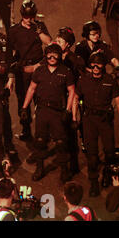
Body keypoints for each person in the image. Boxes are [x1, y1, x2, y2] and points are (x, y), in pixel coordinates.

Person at [21, 43, 75, 182]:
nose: (52, 57)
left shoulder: (66, 72)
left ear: (59, 56)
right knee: (39, 141)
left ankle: (64, 170)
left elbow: (71, 91)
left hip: (57, 112)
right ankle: (40, 168)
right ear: (45, 56)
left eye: (55, 54)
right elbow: (31, 89)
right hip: (42, 111)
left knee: (61, 142)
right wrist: (24, 107)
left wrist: (68, 111)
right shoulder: (39, 71)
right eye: (49, 54)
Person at [72, 51, 119, 197]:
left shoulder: (110, 80)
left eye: (99, 64)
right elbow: (76, 98)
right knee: (92, 155)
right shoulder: (83, 80)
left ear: (104, 66)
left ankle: (107, 176)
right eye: (93, 64)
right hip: (89, 120)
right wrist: (74, 119)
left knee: (109, 152)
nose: (96, 67)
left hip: (105, 120)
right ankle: (94, 181)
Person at [9, 0, 51, 142]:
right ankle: (26, 130)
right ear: (22, 15)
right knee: (22, 102)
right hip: (22, 71)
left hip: (38, 68)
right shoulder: (14, 31)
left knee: (41, 101)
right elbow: (10, 53)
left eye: (31, 16)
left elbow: (49, 42)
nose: (29, 19)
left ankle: (43, 133)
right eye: (26, 17)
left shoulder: (39, 26)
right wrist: (12, 75)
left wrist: (38, 31)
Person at [55, 26, 85, 176]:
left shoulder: (74, 61)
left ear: (68, 44)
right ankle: (64, 165)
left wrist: (74, 112)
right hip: (57, 100)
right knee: (60, 135)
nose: (57, 42)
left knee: (71, 132)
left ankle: (73, 164)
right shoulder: (53, 56)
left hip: (70, 100)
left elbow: (79, 83)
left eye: (60, 40)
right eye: (57, 39)